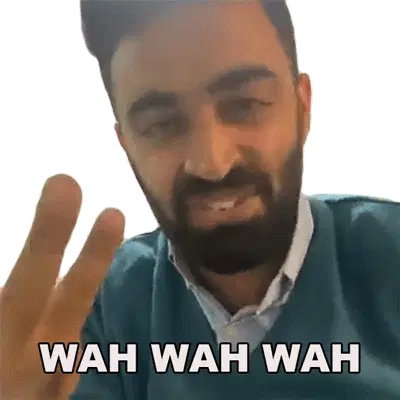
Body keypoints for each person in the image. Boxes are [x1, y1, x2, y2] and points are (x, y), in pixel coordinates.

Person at [0, 0, 399, 399]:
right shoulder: (93, 316)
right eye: (162, 124)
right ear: (128, 145)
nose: (212, 163)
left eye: (245, 104)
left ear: (301, 108)